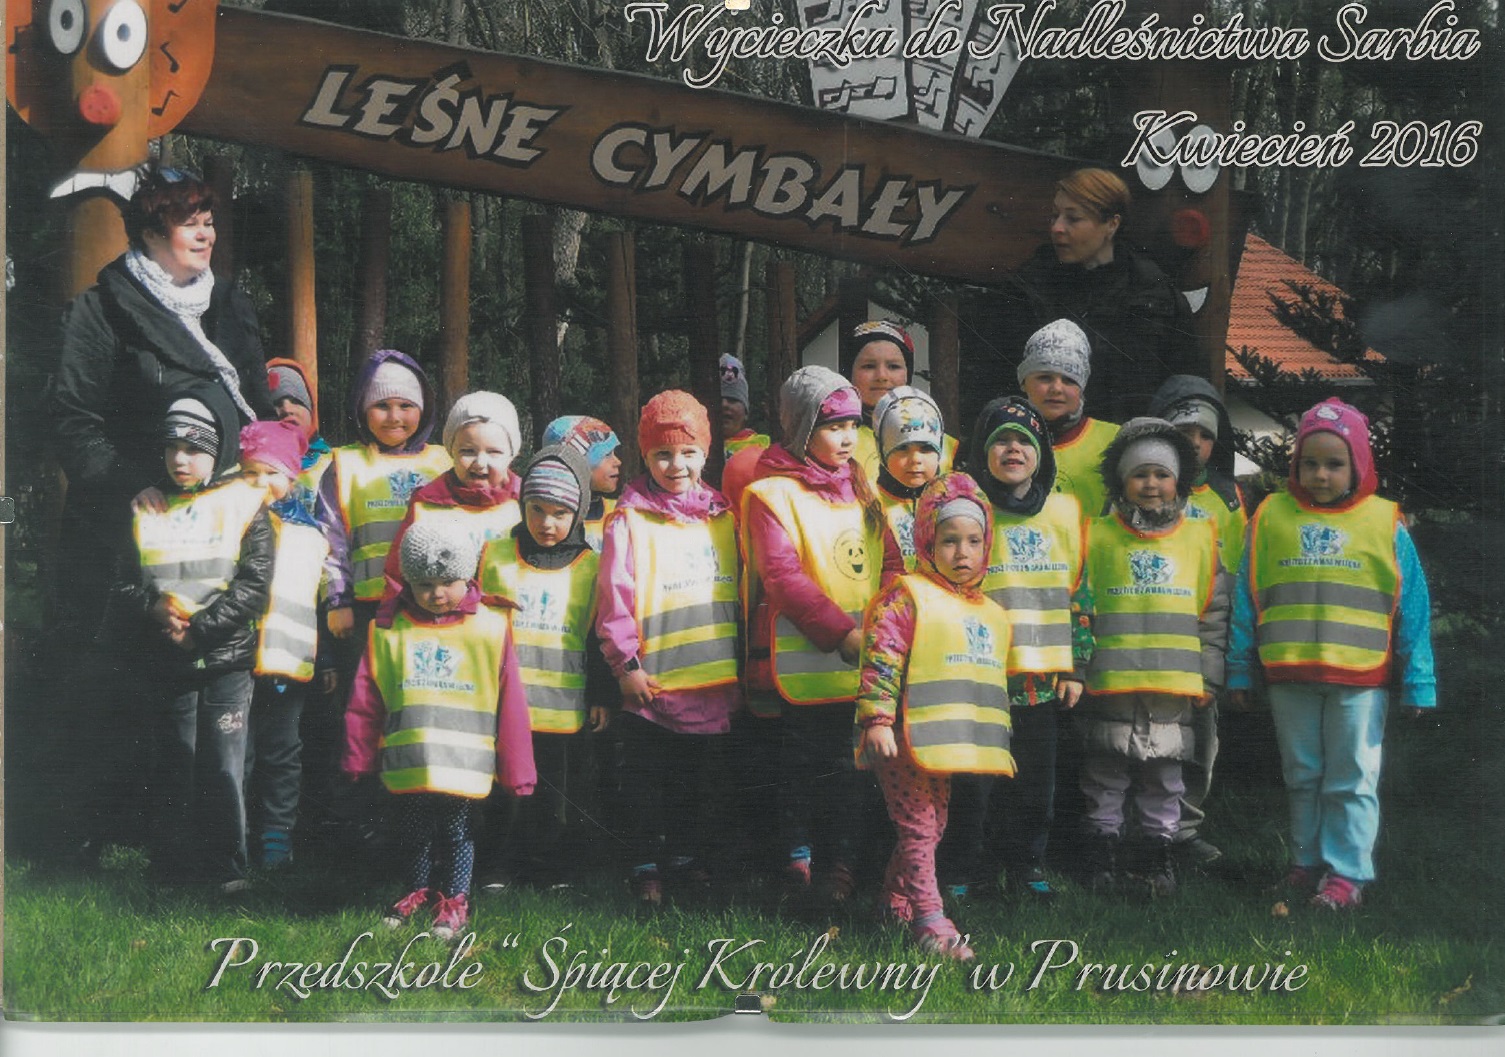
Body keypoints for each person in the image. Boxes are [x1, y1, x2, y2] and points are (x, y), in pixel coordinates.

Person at [1227, 399, 1435, 911]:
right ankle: (1306, 863)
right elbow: (1245, 598)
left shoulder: (1384, 522)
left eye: (1335, 464)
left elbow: (1412, 606)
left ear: (1358, 465)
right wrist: (1238, 669)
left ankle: (1347, 874)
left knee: (1352, 778)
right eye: (1310, 463)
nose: (1320, 475)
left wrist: (1419, 679)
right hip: (1289, 674)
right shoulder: (1270, 517)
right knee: (1302, 775)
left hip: (1360, 680)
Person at [52, 166, 274, 623]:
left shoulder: (230, 304)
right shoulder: (100, 310)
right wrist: (131, 483)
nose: (206, 235)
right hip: (131, 528)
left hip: (222, 526)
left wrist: (274, 463)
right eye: (190, 224)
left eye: (208, 222)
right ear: (151, 234)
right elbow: (72, 420)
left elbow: (257, 407)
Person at [342, 519, 536, 941]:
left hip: (464, 764)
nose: (437, 594)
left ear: (468, 577)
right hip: (411, 760)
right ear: (407, 582)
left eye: (448, 582)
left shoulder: (489, 627)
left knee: (456, 831)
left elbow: (511, 701)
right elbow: (365, 698)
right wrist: (358, 756)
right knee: (413, 829)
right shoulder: (387, 629)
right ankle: (416, 889)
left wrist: (518, 769)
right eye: (424, 584)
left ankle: (455, 899)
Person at [118, 387, 273, 890]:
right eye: (172, 448)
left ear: (217, 451)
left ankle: (227, 869)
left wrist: (201, 632)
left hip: (225, 659)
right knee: (175, 762)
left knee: (225, 765)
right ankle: (171, 867)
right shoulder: (146, 506)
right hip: (168, 657)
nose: (180, 460)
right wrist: (151, 607)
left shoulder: (246, 504)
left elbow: (254, 585)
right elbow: (122, 582)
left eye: (193, 449)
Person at [856, 472, 1014, 961]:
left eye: (973, 541)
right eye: (949, 541)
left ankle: (893, 901)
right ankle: (930, 918)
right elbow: (882, 657)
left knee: (931, 824)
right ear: (927, 541)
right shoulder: (907, 596)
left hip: (941, 742)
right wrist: (877, 720)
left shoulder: (984, 608)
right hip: (902, 738)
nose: (962, 553)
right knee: (920, 825)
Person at [743, 366, 884, 905]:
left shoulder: (863, 487)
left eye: (852, 425)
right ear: (802, 428)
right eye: (832, 426)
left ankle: (842, 866)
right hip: (808, 666)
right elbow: (782, 576)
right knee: (800, 770)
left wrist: (885, 632)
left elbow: (889, 562)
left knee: (852, 772)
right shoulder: (771, 494)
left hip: (866, 661)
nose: (847, 438)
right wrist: (841, 633)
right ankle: (797, 861)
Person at [939, 397, 1090, 901]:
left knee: (1034, 783)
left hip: (1040, 679)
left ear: (1041, 452)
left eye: (1024, 441)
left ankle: (1027, 864)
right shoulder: (967, 512)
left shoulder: (1064, 512)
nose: (1012, 449)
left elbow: (1080, 594)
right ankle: (968, 867)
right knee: (974, 781)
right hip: (979, 674)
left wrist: (1076, 667)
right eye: (1000, 440)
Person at [596, 391, 742, 905]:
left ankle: (685, 859)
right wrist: (625, 666)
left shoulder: (723, 516)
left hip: (712, 682)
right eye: (662, 454)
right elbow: (614, 599)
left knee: (695, 780)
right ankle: (645, 866)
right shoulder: (628, 520)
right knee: (646, 781)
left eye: (688, 453)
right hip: (651, 683)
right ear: (645, 456)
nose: (676, 465)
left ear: (706, 453)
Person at [1078, 417, 1228, 898]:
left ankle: (1156, 850)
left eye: (1162, 474)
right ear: (1121, 480)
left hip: (1174, 687)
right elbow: (1079, 607)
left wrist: (1210, 676)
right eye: (1139, 474)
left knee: (1165, 773)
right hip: (1110, 683)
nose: (1150, 484)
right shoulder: (1096, 535)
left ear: (1178, 481)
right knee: (1105, 769)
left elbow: (1213, 614)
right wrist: (1078, 670)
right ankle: (1103, 846)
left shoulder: (1199, 537)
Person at [478, 444, 608, 885]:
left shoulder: (591, 566)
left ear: (578, 512)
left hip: (563, 706)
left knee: (557, 793)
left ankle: (551, 868)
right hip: (505, 705)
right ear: (523, 505)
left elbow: (597, 636)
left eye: (559, 513)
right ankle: (497, 865)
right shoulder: (496, 555)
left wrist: (601, 696)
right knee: (502, 789)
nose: (547, 523)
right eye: (537, 510)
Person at [1003, 167, 1203, 423]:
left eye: (1073, 218)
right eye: (1055, 216)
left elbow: (1188, 389)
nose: (1057, 228)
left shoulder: (1154, 296)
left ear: (1111, 224)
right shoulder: (1029, 288)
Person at [1148, 374, 1251, 866]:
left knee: (1199, 740)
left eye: (1205, 435)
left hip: (1204, 639)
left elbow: (1240, 573)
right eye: (1183, 431)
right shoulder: (1143, 486)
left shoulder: (1230, 498)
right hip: (1149, 637)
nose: (1193, 443)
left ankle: (1184, 829)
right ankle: (1137, 829)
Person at [316, 349, 450, 653]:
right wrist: (337, 601)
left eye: (406, 405)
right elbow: (329, 539)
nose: (394, 417)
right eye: (381, 406)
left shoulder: (444, 462)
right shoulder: (345, 464)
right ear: (363, 409)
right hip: (366, 609)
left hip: (434, 604)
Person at [240, 418, 330, 870]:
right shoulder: (231, 524)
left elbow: (322, 599)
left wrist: (325, 659)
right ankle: (234, 837)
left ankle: (277, 839)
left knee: (282, 754)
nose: (260, 483)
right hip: (236, 662)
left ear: (292, 477)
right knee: (238, 754)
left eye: (271, 473)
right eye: (249, 473)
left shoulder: (312, 535)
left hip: (288, 663)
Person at [380, 390, 523, 606]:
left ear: (512, 454)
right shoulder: (428, 504)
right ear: (451, 451)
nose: (480, 463)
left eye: (494, 452)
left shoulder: (526, 502)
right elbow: (398, 573)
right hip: (443, 619)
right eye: (468, 451)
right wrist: (390, 614)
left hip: (508, 619)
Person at [1019, 318, 1120, 518]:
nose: (1056, 389)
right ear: (1023, 382)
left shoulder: (1116, 440)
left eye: (1069, 380)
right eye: (1045, 377)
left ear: (1082, 387)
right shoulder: (1002, 439)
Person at [843, 320, 958, 485]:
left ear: (907, 373)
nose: (882, 376)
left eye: (893, 366)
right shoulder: (835, 441)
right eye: (868, 366)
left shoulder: (945, 444)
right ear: (850, 373)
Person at [872, 386, 946, 575]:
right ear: (882, 451)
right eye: (902, 448)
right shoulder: (869, 504)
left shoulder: (951, 502)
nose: (915, 459)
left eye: (926, 448)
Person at [542, 415, 623, 552]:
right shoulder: (547, 523)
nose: (618, 462)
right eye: (606, 454)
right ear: (576, 463)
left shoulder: (620, 512)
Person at [266, 358, 333, 520]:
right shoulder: (252, 469)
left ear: (311, 410)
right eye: (277, 403)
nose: (287, 409)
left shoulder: (334, 464)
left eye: (296, 401)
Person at [720, 353, 771, 460]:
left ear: (746, 412)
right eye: (718, 400)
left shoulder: (763, 447)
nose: (724, 404)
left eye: (732, 400)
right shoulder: (694, 447)